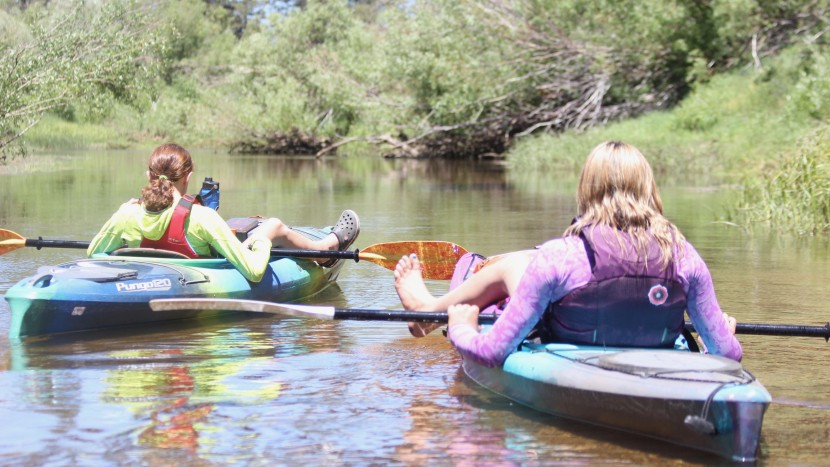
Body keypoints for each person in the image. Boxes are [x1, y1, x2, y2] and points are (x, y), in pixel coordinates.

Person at [394, 140, 741, 367]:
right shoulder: (685, 257)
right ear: (650, 190)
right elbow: (727, 354)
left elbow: (493, 352)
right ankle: (426, 310)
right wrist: (719, 339)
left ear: (586, 190)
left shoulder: (559, 257)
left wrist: (462, 329)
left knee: (516, 264)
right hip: (654, 352)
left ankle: (430, 312)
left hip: (568, 346)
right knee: (520, 264)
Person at [87, 143, 360, 282]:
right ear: (188, 177)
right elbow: (253, 272)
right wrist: (262, 242)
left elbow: (94, 254)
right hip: (196, 277)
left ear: (148, 175)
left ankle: (325, 249)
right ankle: (326, 250)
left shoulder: (126, 214)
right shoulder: (203, 218)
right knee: (273, 226)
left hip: (151, 274)